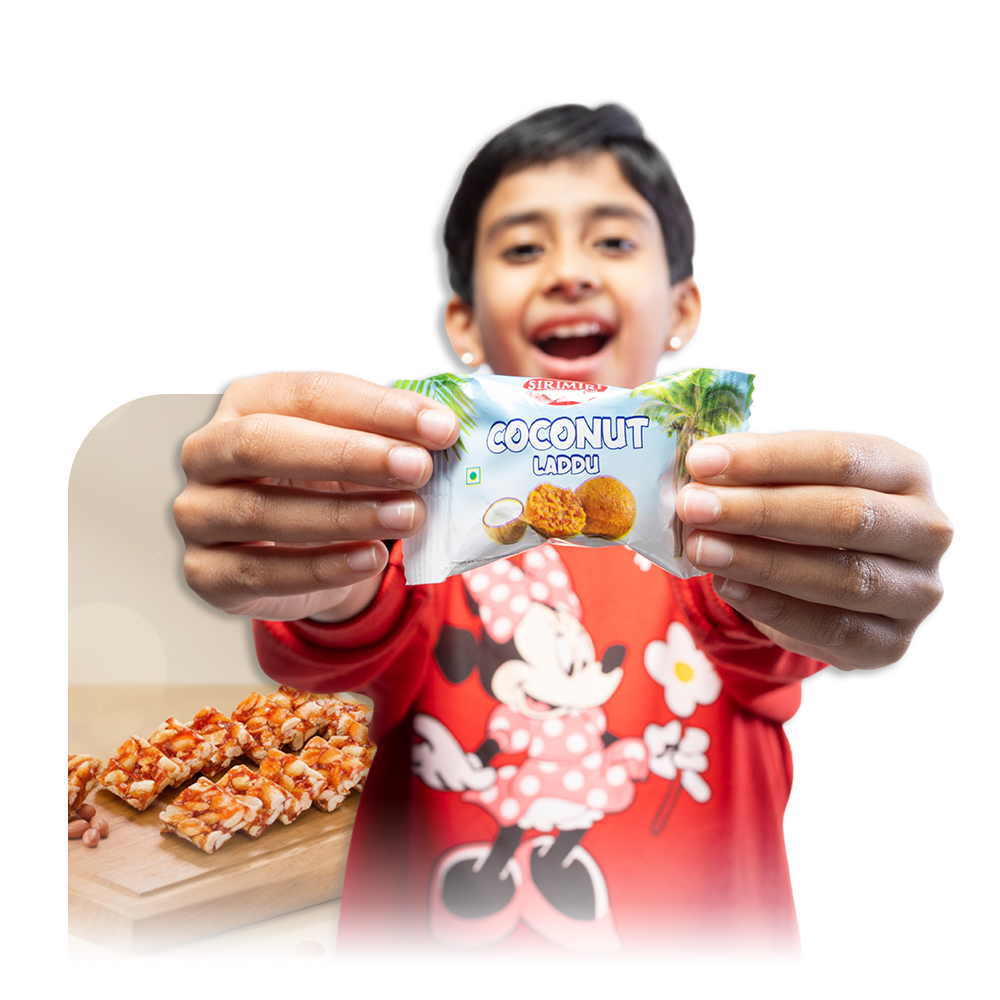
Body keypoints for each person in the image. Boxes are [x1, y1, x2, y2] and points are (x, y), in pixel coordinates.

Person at [173, 104, 952, 956]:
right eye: (521, 247)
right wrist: (314, 559)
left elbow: (766, 634)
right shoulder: (419, 533)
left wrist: (837, 570)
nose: (568, 271)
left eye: (614, 242)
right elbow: (345, 631)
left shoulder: (717, 536)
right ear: (464, 325)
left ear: (683, 308)